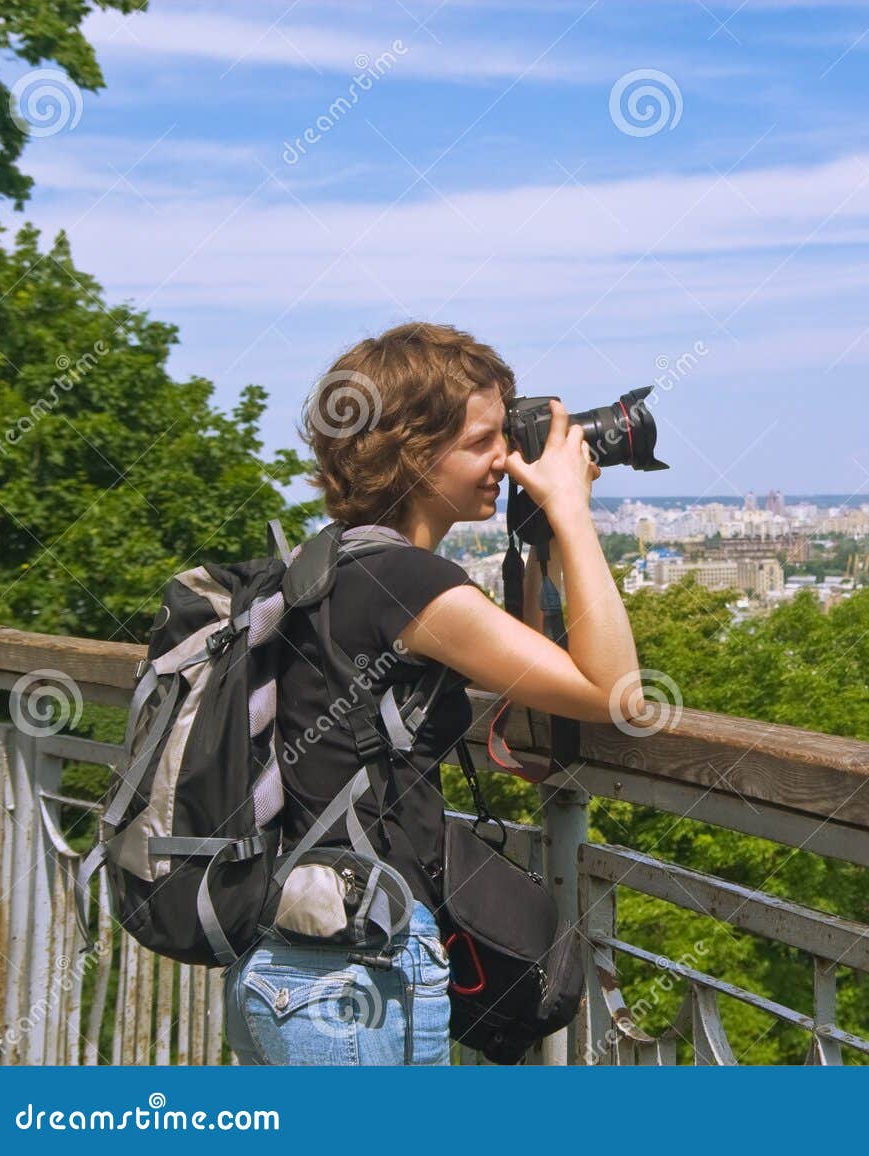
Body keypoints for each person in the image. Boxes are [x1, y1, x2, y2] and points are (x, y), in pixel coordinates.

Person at [222, 321, 644, 1065]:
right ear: (415, 452)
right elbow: (613, 691)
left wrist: (542, 533)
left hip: (297, 957)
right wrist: (576, 511)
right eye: (484, 441)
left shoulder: (331, 567)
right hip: (353, 974)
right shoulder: (410, 586)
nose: (505, 459)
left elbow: (537, 666)